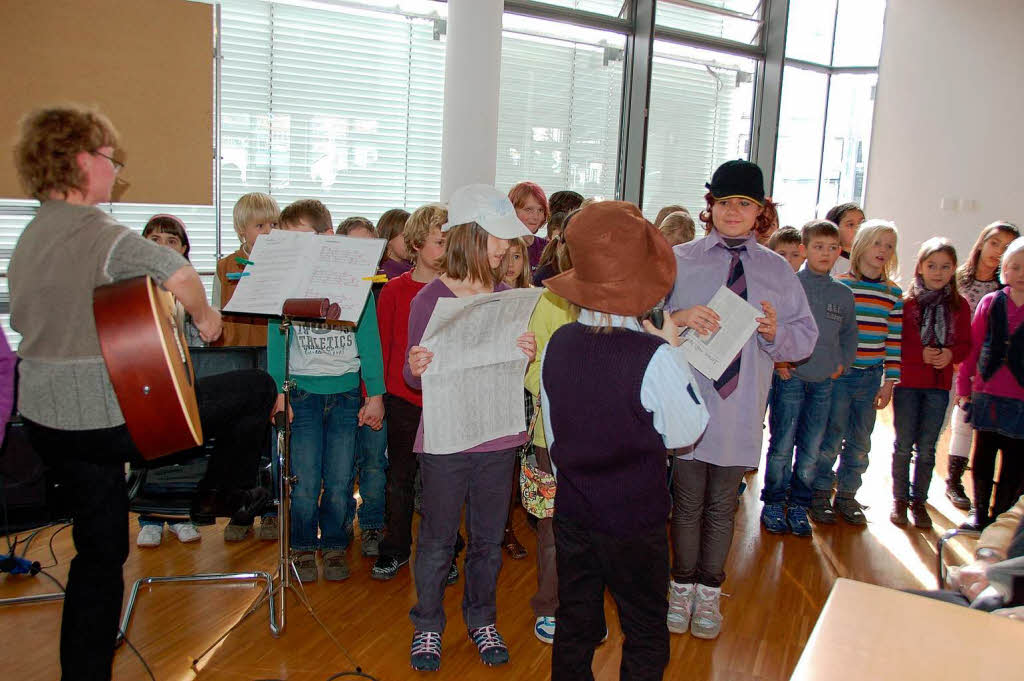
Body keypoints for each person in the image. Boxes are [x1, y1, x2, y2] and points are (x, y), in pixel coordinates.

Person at [9, 105, 276, 681]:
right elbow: (175, 271)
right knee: (256, 385)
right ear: (83, 162)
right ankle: (223, 493)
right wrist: (205, 318)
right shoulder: (95, 231)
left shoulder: (30, 235)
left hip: (45, 422)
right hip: (102, 420)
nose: (116, 171)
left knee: (99, 552)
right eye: (112, 160)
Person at [542, 201, 708, 681]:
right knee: (645, 625)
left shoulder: (559, 343)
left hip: (573, 511)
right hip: (634, 518)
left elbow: (555, 435)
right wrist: (673, 352)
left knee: (575, 621)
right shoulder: (653, 355)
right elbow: (686, 430)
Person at [666, 160, 818, 639]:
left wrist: (776, 333)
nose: (733, 212)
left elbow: (804, 336)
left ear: (760, 212)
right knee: (686, 501)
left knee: (722, 505)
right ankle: (680, 585)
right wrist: (679, 314)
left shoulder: (777, 270)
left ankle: (710, 589)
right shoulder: (680, 258)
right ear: (710, 207)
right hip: (689, 399)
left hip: (739, 406)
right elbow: (647, 318)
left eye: (745, 204)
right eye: (724, 202)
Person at [405, 184, 536, 671]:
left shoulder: (509, 298)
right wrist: (414, 366)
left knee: (487, 539)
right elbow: (410, 375)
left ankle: (482, 617)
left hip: (498, 435)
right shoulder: (429, 299)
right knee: (438, 539)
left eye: (507, 239)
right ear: (467, 237)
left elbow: (514, 374)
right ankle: (428, 626)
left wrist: (525, 355)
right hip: (445, 437)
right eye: (495, 237)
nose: (504, 248)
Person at [760, 220, 856, 537]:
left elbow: (850, 334)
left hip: (823, 382)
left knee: (812, 447)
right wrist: (780, 361)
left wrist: (842, 362)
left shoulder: (843, 293)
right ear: (804, 250)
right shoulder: (788, 287)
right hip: (790, 377)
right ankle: (774, 501)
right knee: (783, 444)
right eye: (818, 247)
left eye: (832, 248)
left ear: (839, 252)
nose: (825, 254)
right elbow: (772, 327)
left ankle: (799, 505)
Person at [371, 203, 451, 581]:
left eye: (451, 241)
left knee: (442, 484)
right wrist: (379, 398)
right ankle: (395, 548)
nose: (447, 250)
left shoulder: (457, 291)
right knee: (399, 479)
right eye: (439, 242)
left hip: (445, 400)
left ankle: (446, 552)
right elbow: (384, 346)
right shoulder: (395, 291)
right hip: (403, 400)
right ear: (417, 244)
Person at [812, 221, 903, 525]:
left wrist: (890, 381)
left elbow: (894, 341)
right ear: (862, 245)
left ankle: (848, 495)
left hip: (870, 377)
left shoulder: (893, 294)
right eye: (878, 243)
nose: (883, 251)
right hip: (840, 376)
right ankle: (821, 492)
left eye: (889, 246)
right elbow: (830, 335)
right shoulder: (841, 286)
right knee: (831, 436)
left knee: (861, 440)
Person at [890, 238, 971, 528]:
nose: (938, 272)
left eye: (945, 266)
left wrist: (950, 353)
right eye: (931, 265)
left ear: (954, 270)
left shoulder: (959, 306)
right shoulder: (907, 304)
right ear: (920, 268)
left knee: (927, 447)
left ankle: (919, 501)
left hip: (938, 386)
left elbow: (965, 344)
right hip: (908, 383)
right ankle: (899, 500)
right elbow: (896, 343)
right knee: (903, 444)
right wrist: (918, 354)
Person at [135, 214, 204, 547]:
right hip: (146, 380)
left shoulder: (189, 289)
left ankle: (181, 515)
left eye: (171, 241)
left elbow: (202, 336)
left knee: (186, 451)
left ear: (184, 249)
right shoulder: (132, 286)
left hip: (184, 376)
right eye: (154, 240)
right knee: (152, 451)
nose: (162, 247)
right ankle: (149, 518)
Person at [523, 236, 578, 645]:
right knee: (553, 524)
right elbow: (529, 370)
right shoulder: (546, 303)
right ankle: (551, 604)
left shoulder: (617, 303)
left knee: (594, 524)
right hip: (553, 435)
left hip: (604, 435)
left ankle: (584, 604)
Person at [945, 221, 1020, 510]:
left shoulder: (1005, 289)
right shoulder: (959, 279)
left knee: (972, 426)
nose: (997, 252)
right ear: (981, 243)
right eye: (994, 243)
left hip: (986, 371)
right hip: (951, 362)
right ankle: (944, 478)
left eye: (1006, 248)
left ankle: (967, 485)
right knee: (946, 425)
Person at [212, 191, 279, 348]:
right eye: (260, 226)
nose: (269, 232)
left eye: (274, 225)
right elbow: (216, 309)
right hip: (234, 349)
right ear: (241, 229)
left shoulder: (284, 264)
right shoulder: (225, 266)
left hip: (272, 348)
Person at [509, 181, 550, 268]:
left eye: (540, 210)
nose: (535, 217)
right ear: (512, 210)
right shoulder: (501, 247)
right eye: (528, 209)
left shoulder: (547, 249)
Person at [824, 202, 865, 276]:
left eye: (862, 223)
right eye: (851, 224)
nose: (858, 228)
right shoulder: (829, 262)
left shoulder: (870, 261)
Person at [377, 208, 413, 279]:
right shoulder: (380, 275)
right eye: (406, 236)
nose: (411, 240)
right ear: (389, 236)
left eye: (413, 235)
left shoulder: (413, 267)